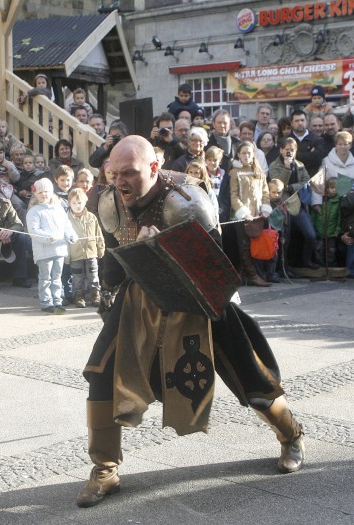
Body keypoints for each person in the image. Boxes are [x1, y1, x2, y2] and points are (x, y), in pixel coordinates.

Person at [76, 135, 305, 508]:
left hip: (199, 298)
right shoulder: (110, 200)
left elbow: (215, 267)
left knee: (251, 374)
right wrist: (116, 281)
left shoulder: (187, 200)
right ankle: (105, 469)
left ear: (154, 167)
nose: (120, 182)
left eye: (129, 173)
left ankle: (291, 434)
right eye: (114, 173)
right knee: (101, 372)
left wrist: (169, 245)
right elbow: (114, 259)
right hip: (140, 297)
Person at [26, 177, 76, 314]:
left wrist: (71, 235)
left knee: (57, 277)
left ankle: (58, 300)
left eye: (46, 191)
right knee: (45, 277)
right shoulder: (34, 211)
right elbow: (33, 231)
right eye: (40, 192)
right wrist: (48, 237)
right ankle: (46, 301)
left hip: (59, 249)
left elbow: (66, 225)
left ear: (51, 192)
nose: (44, 194)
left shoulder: (58, 208)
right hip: (44, 252)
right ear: (36, 194)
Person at [268, 137, 318, 270]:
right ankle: (283, 267)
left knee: (311, 235)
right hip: (282, 206)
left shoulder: (300, 165)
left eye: (292, 150)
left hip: (298, 205)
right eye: (286, 149)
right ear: (281, 150)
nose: (289, 152)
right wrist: (286, 168)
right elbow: (278, 185)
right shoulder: (274, 165)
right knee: (285, 238)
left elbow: (306, 182)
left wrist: (290, 188)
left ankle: (306, 261)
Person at [230, 141, 272, 287]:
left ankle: (242, 275)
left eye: (249, 153)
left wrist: (265, 208)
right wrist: (243, 213)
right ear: (238, 155)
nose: (246, 156)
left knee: (255, 245)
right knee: (244, 246)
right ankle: (253, 276)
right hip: (242, 215)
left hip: (258, 214)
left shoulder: (259, 172)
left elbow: (265, 192)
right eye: (243, 153)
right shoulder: (235, 172)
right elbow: (234, 195)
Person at [67, 187, 104, 308]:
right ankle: (79, 296)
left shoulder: (91, 217)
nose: (77, 206)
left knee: (93, 274)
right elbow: (65, 239)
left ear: (85, 202)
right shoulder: (66, 219)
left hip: (91, 252)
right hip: (75, 253)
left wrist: (101, 247)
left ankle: (95, 294)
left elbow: (98, 233)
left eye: (80, 203)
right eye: (74, 203)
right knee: (77, 277)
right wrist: (66, 256)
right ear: (69, 203)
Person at [311, 178, 340, 268]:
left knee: (331, 250)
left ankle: (331, 266)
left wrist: (338, 229)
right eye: (332, 188)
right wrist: (312, 227)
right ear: (327, 188)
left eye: (336, 188)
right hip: (319, 230)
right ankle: (320, 266)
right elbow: (313, 214)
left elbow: (339, 216)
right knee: (319, 249)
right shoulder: (320, 199)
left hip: (331, 231)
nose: (334, 190)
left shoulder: (338, 201)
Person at [288, 109, 326, 178]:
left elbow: (317, 159)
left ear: (306, 122)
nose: (300, 123)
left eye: (302, 120)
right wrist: (309, 154)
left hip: (312, 178)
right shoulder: (285, 141)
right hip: (291, 179)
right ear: (291, 123)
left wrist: (294, 155)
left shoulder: (318, 140)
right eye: (297, 121)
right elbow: (286, 159)